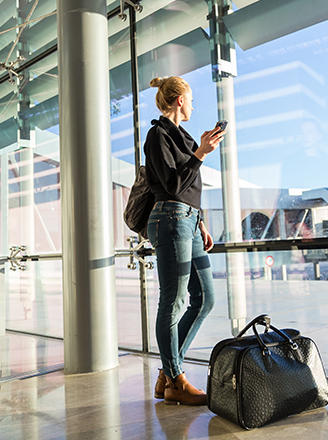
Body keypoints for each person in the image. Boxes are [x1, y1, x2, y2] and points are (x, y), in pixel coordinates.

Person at [144, 76, 224, 406]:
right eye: (190, 100)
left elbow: (189, 188)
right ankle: (175, 379)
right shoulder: (158, 134)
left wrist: (201, 221)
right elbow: (174, 184)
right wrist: (201, 153)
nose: (193, 106)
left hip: (189, 221)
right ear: (179, 101)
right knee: (174, 302)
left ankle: (168, 371)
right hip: (170, 219)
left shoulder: (184, 137)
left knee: (205, 298)